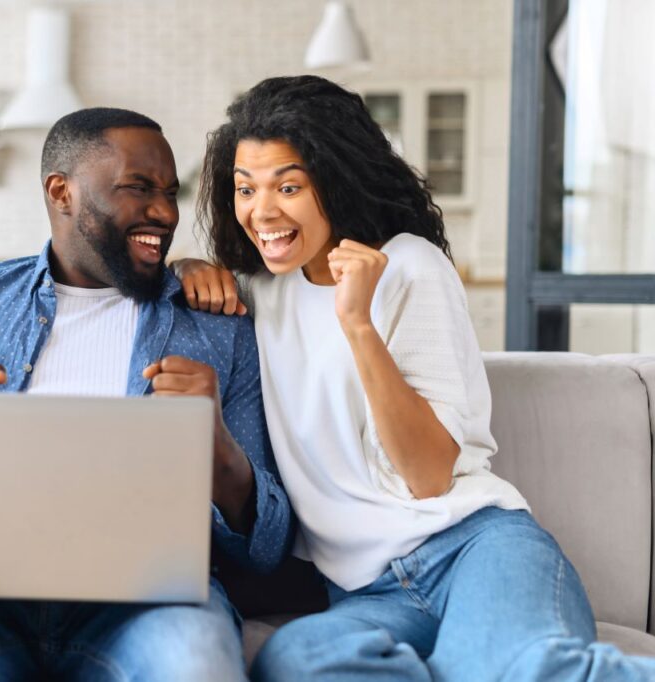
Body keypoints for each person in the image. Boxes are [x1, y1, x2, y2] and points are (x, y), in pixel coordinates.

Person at [176, 75, 655, 680]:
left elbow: (429, 477)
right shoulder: (261, 290)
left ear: (336, 179)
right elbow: (190, 286)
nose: (261, 211)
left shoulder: (409, 266)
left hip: (473, 551)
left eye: (288, 186)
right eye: (246, 188)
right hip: (368, 595)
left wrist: (357, 324)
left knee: (519, 669)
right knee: (298, 660)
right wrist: (187, 264)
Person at [0, 107, 294, 681]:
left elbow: (268, 546)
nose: (165, 212)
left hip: (149, 607)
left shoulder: (216, 327)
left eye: (169, 193)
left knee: (195, 665)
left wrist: (216, 442)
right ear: (61, 192)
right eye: (138, 188)